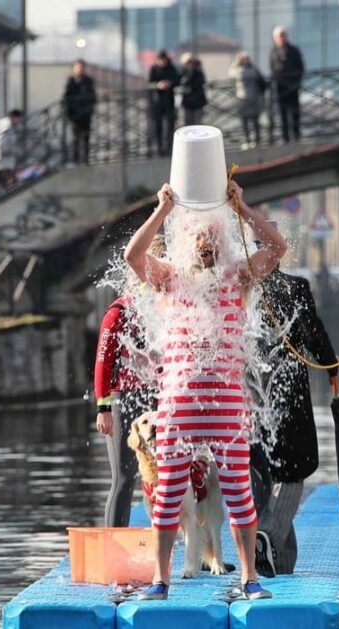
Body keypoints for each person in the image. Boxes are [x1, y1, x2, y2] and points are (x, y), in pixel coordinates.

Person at [124, 181, 287, 601]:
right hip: (178, 402)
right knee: (167, 496)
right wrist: (163, 209)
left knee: (239, 492)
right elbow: (132, 256)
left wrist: (243, 208)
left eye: (212, 236)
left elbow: (278, 247)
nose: (205, 244)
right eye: (198, 236)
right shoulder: (169, 278)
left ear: (223, 241)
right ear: (185, 241)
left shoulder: (239, 276)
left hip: (227, 402)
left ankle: (249, 578)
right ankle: (161, 582)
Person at [252, 265, 339, 577]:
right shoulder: (294, 286)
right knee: (295, 466)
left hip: (249, 392)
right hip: (286, 391)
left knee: (262, 471)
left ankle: (282, 564)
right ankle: (267, 534)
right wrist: (332, 366)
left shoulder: (238, 285)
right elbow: (311, 332)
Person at [93, 238, 164, 527]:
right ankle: (114, 546)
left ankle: (171, 550)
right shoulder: (119, 311)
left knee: (168, 475)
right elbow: (103, 361)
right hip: (127, 399)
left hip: (161, 397)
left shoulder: (167, 306)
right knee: (125, 477)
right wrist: (103, 407)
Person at [269, 26, 305, 143]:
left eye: (282, 36)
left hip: (292, 88)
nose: (281, 39)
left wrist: (296, 82)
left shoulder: (294, 51)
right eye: (278, 37)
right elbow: (273, 69)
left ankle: (296, 136)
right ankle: (286, 139)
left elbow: (300, 68)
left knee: (295, 113)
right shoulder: (273, 52)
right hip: (280, 89)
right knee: (283, 115)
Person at [229, 52, 267, 149]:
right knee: (252, 121)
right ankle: (256, 140)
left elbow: (231, 73)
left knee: (246, 121)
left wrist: (235, 64)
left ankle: (248, 140)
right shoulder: (253, 69)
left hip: (244, 98)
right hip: (251, 97)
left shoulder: (238, 70)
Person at [63, 59, 97, 165]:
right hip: (75, 115)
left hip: (86, 115)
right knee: (76, 138)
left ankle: (86, 159)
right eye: (78, 67)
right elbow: (67, 97)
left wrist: (89, 108)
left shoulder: (88, 81)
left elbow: (93, 96)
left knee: (86, 137)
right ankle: (75, 159)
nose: (79, 69)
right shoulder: (71, 81)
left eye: (81, 67)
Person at [147, 51, 180, 157]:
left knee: (170, 125)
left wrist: (169, 84)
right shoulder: (153, 69)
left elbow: (177, 80)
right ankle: (159, 149)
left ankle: (170, 148)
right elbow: (148, 83)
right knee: (157, 126)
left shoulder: (171, 68)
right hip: (156, 103)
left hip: (169, 101)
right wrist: (157, 85)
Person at [0, 109, 22, 189]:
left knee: (8, 177)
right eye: (18, 119)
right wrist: (13, 150)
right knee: (6, 177)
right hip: (2, 157)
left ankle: (7, 187)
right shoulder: (6, 126)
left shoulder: (8, 125)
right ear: (14, 117)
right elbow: (3, 141)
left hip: (4, 158)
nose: (18, 121)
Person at [179, 53, 208, 126]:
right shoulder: (183, 71)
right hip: (187, 102)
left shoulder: (198, 71)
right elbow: (180, 82)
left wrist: (191, 72)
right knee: (187, 123)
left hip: (198, 101)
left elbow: (200, 82)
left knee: (198, 124)